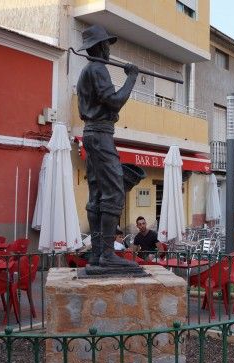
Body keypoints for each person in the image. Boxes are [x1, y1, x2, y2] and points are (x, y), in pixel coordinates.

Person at [76, 24, 139, 269]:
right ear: (101, 47)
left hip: (92, 134)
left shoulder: (86, 71)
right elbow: (114, 101)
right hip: (101, 135)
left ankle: (96, 254)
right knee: (114, 191)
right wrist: (131, 78)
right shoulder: (98, 69)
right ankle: (107, 254)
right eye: (107, 46)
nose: (109, 51)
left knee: (97, 193)